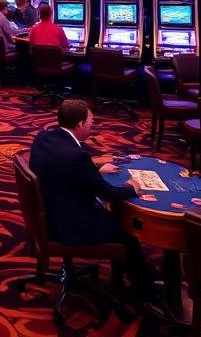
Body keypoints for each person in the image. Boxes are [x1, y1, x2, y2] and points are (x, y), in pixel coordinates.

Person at [29, 99, 156, 300]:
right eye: (91, 123)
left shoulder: (44, 137)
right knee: (126, 232)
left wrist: (94, 168)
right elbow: (107, 193)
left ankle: (134, 276)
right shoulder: (75, 156)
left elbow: (62, 166)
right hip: (68, 225)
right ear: (79, 125)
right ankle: (143, 288)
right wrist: (132, 187)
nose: (92, 127)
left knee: (113, 221)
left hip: (49, 211)